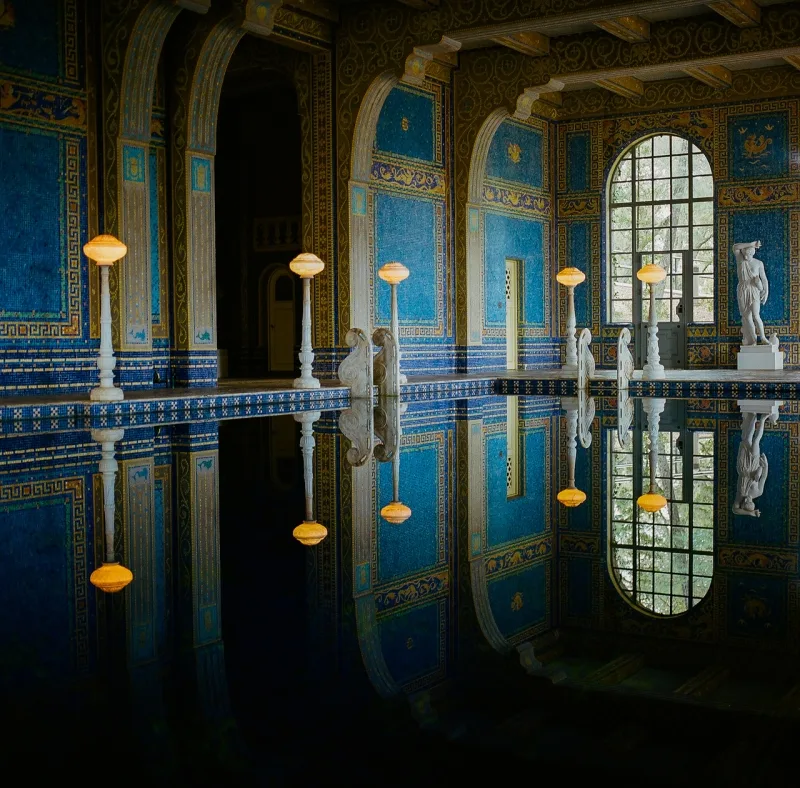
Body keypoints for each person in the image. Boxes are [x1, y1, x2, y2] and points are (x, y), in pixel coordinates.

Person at [733, 410, 773, 517]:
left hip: (743, 467)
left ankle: (753, 416)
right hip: (755, 466)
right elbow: (764, 477)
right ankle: (763, 419)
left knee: (747, 440)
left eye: (745, 502)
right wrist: (765, 465)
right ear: (753, 503)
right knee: (756, 442)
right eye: (750, 501)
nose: (747, 499)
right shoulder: (758, 492)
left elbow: (735, 510)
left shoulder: (740, 496)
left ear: (742, 504)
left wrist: (749, 513)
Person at [734, 240, 768, 346]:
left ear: (752, 253)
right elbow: (735, 247)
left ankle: (763, 337)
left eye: (748, 254)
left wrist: (766, 291)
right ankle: (753, 340)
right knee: (747, 317)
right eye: (744, 254)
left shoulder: (758, 263)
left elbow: (764, 279)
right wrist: (751, 244)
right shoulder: (740, 260)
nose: (745, 256)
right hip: (742, 289)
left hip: (753, 290)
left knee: (756, 315)